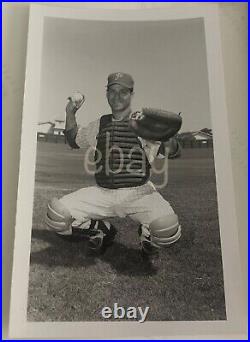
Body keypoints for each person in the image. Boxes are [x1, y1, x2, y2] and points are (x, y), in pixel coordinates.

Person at [45, 72, 181, 258]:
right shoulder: (100, 124)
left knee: (167, 230)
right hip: (103, 192)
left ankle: (147, 236)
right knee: (57, 216)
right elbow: (72, 139)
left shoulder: (144, 122)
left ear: (131, 94)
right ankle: (101, 230)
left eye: (123, 92)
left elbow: (172, 152)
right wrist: (70, 111)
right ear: (107, 94)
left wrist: (167, 137)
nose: (117, 96)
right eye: (112, 91)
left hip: (139, 193)